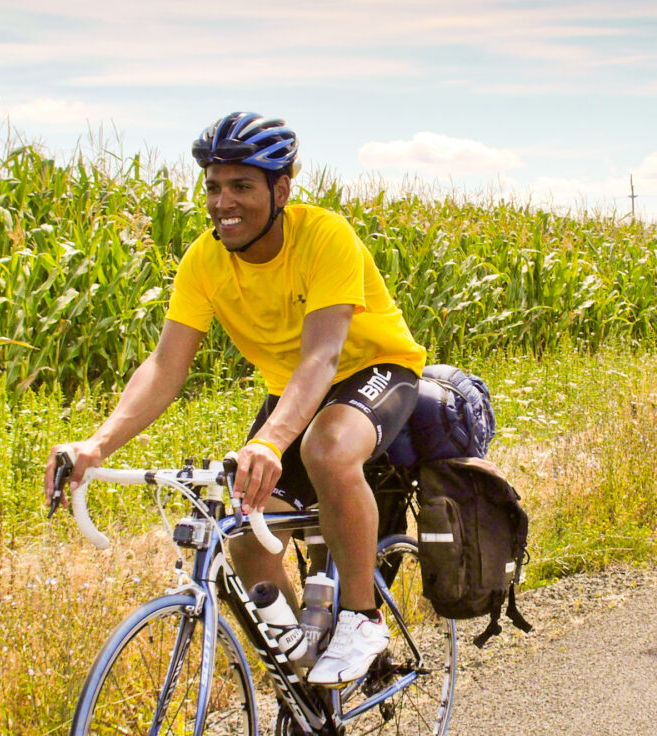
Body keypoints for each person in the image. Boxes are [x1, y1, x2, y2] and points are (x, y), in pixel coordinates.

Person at [45, 112, 427, 686]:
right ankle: (308, 668)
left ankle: (362, 619)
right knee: (241, 526)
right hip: (292, 393)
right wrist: (97, 444)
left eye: (241, 186)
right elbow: (165, 367)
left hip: (372, 371)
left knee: (325, 447)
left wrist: (271, 441)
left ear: (281, 190)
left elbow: (322, 358)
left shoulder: (324, 236)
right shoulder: (205, 259)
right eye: (214, 187)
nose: (224, 201)